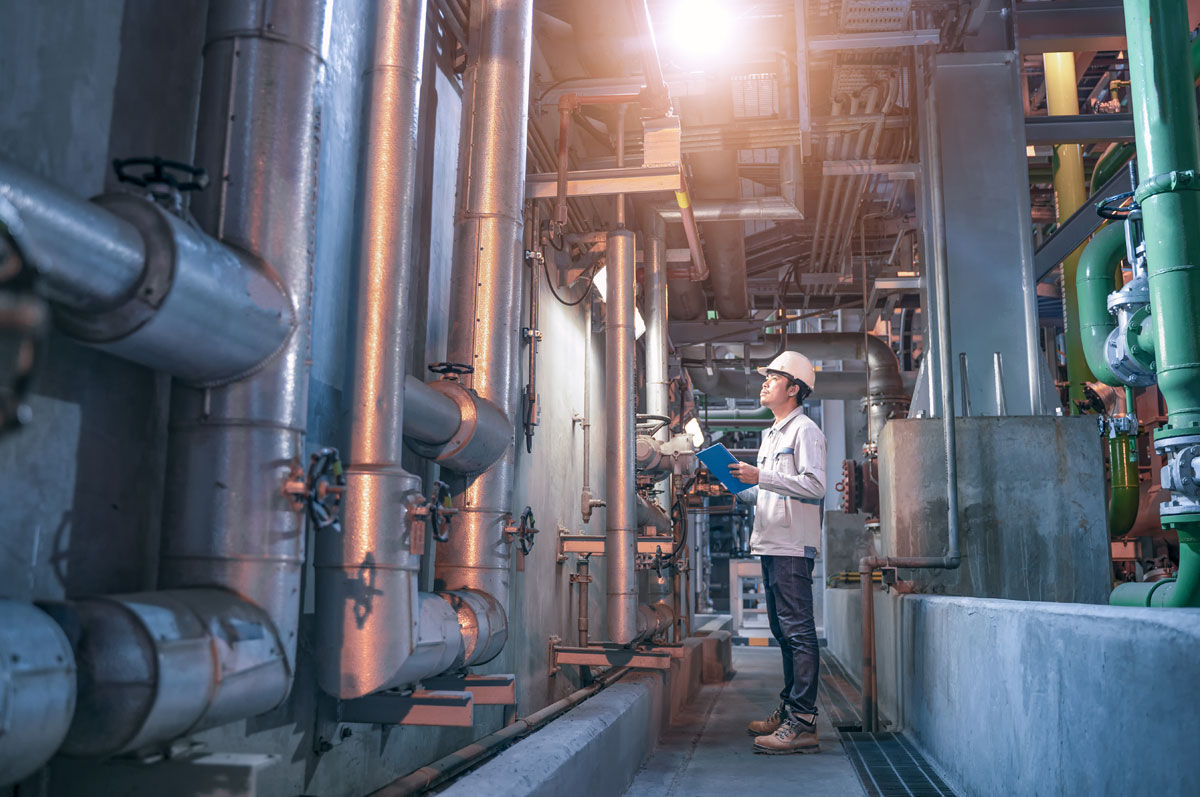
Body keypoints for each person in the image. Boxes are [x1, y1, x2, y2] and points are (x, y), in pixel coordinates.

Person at [728, 350, 826, 755]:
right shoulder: (773, 434)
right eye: (766, 376)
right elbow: (768, 490)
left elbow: (816, 486)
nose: (765, 382)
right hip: (771, 544)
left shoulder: (805, 431)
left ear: (795, 388)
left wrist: (761, 475)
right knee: (784, 633)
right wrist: (736, 485)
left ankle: (803, 722)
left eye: (774, 377)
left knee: (799, 633)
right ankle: (790, 711)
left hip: (791, 546)